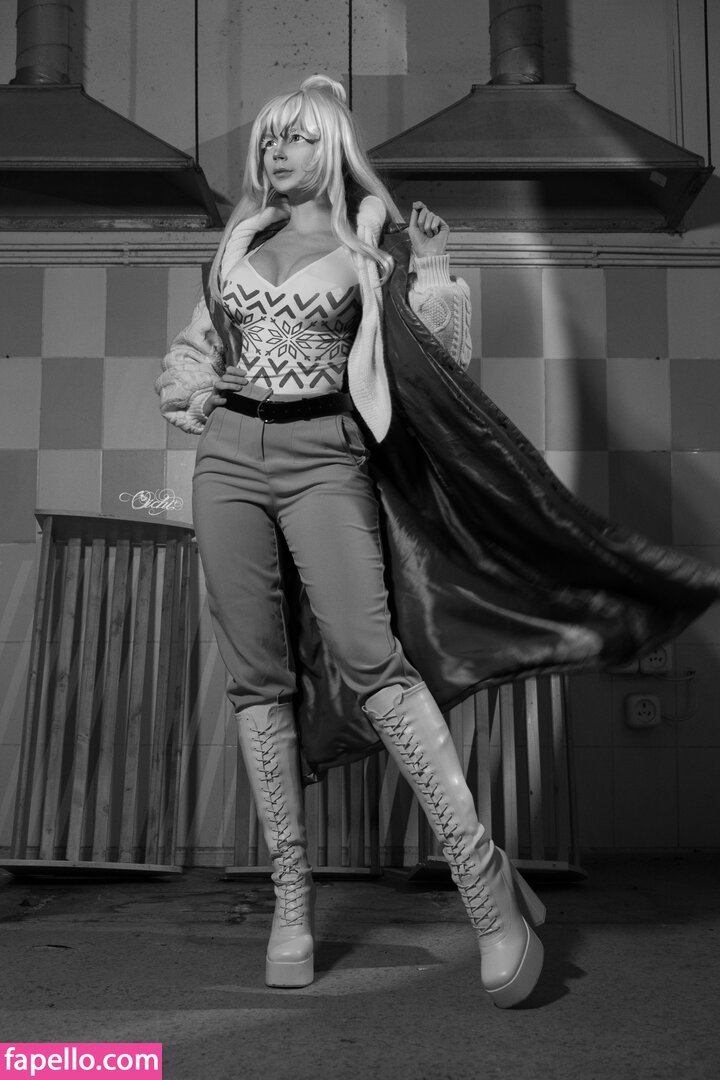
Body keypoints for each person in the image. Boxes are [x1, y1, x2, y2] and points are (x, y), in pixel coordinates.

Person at [157, 75, 720, 1007]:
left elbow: (435, 372)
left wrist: (433, 269)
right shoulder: (239, 241)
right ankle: (292, 902)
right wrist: (193, 388)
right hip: (227, 458)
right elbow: (193, 352)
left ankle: (480, 878)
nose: (277, 153)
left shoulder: (366, 249)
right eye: (270, 140)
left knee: (372, 661)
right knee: (256, 678)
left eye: (297, 138)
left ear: (334, 149)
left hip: (324, 454)